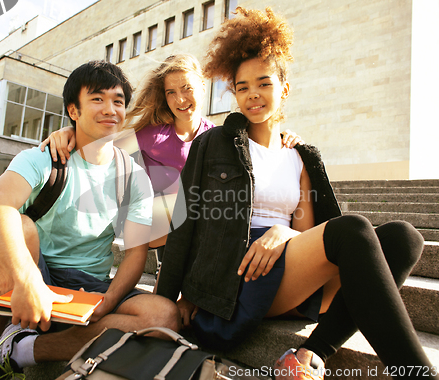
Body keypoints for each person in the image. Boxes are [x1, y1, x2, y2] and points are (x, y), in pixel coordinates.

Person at [155, 7, 437, 380]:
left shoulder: (299, 156)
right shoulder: (213, 144)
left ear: (284, 88)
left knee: (404, 238)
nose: (253, 95)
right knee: (351, 230)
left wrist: (285, 233)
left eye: (264, 83)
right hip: (236, 275)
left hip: (286, 272)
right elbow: (185, 222)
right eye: (242, 87)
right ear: (234, 94)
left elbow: (307, 235)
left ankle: (310, 353)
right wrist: (167, 301)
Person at [0, 61, 179, 380]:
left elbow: (136, 253)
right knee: (15, 227)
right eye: (97, 99)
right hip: (35, 271)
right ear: (73, 109)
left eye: (117, 100)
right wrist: (29, 280)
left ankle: (22, 351)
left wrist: (109, 300)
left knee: (163, 317)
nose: (110, 109)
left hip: (90, 285)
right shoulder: (45, 157)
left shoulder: (133, 177)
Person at [42, 53, 303, 265]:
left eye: (187, 88)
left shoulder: (218, 136)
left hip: (203, 233)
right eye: (170, 92)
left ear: (203, 86)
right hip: (161, 228)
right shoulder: (152, 134)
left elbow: (257, 146)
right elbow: (103, 146)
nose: (180, 99)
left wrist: (286, 138)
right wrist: (68, 131)